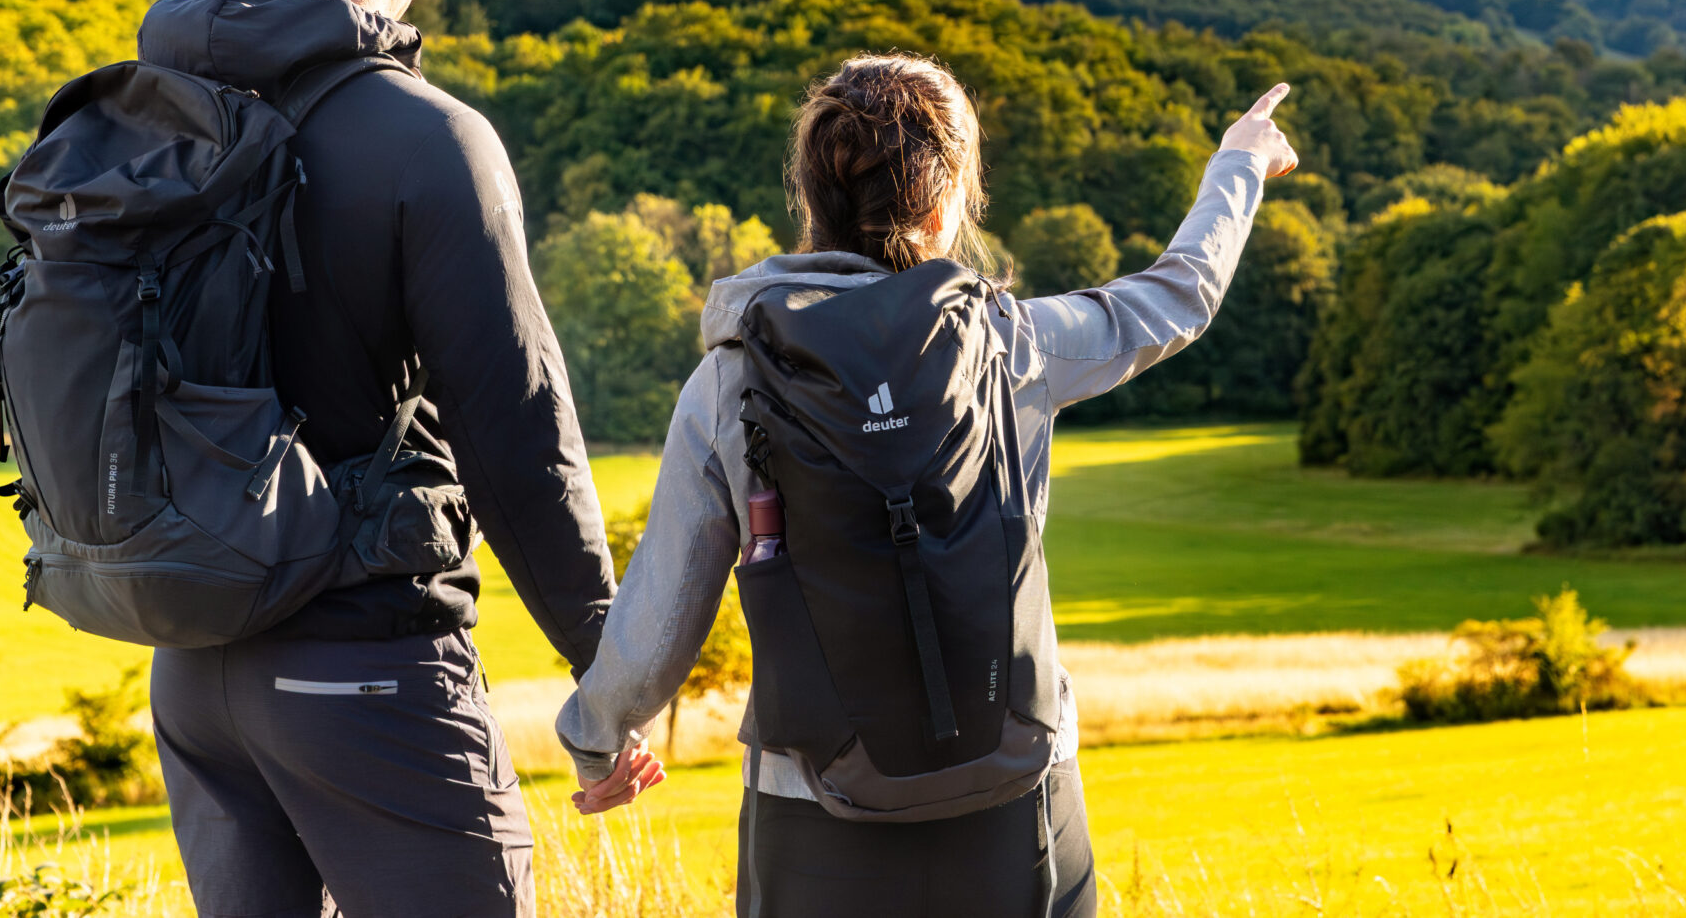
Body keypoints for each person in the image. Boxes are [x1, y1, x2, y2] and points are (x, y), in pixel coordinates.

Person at [556, 52, 1300, 917]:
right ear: (948, 205)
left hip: (812, 815)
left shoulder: (734, 381)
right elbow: (1180, 296)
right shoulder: (1014, 345)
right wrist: (1240, 160)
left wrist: (598, 741)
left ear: (811, 199)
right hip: (1018, 800)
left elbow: (663, 605)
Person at [135, 0, 651, 918]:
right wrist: (606, 662)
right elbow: (512, 420)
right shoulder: (429, 137)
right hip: (358, 650)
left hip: (190, 662)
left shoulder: (155, 120)